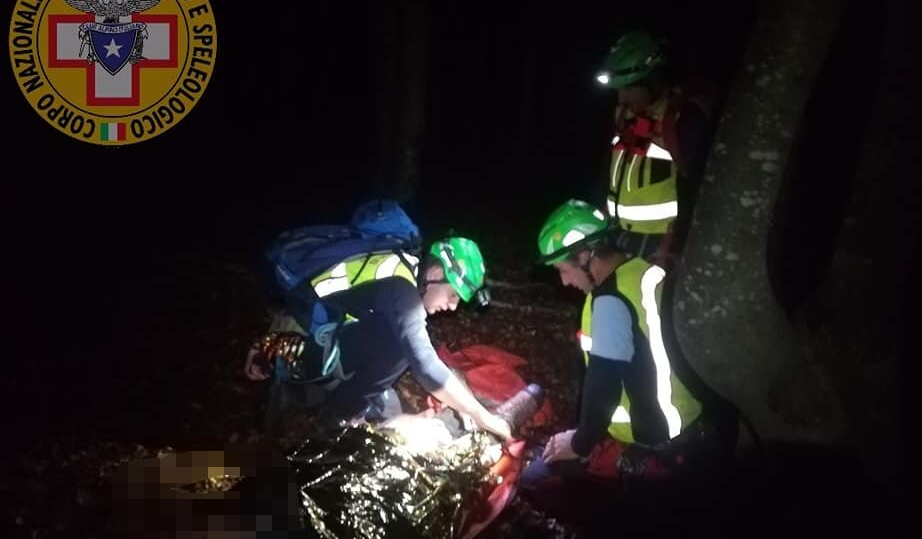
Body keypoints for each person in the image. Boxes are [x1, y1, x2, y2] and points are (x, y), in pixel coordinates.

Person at [520, 199, 734, 487]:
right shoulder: (644, 270)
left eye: (563, 269)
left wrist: (579, 443)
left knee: (532, 481)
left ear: (585, 257)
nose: (564, 281)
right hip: (690, 415)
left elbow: (603, 387)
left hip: (654, 438)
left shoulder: (608, 303)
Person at [245, 234, 513, 442]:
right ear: (435, 274)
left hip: (319, 332)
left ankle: (337, 405)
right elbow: (426, 366)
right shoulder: (402, 293)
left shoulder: (403, 267)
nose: (453, 306)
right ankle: (336, 418)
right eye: (453, 295)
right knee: (402, 348)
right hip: (304, 342)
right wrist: (482, 415)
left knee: (398, 343)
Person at [595, 30, 717, 261]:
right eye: (619, 90)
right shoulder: (624, 118)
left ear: (653, 80)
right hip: (620, 244)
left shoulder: (682, 122)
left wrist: (673, 245)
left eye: (629, 89)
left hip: (662, 253)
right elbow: (609, 176)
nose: (622, 98)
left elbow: (702, 191)